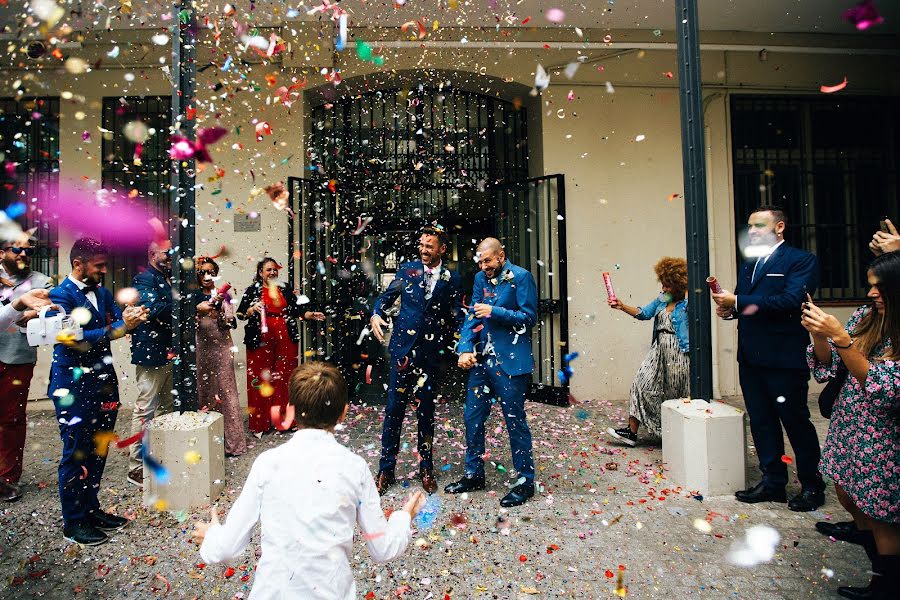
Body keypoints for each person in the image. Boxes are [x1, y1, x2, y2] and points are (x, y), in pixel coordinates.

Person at [191, 361, 426, 600]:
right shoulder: (355, 468)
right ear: (343, 413)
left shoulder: (267, 463)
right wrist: (403, 517)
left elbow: (227, 546)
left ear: (291, 410)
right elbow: (383, 548)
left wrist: (212, 536)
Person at [712, 205, 825, 511]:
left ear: (779, 228)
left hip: (784, 358)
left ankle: (813, 485)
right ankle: (773, 482)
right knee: (761, 422)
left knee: (796, 422)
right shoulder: (749, 263)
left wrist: (738, 300)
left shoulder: (801, 260)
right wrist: (731, 309)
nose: (752, 231)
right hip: (750, 357)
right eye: (749, 226)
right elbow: (749, 304)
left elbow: (790, 301)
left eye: (759, 225)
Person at [802, 252, 900, 600]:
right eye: (870, 286)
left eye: (880, 287)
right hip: (851, 427)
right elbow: (829, 369)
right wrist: (818, 337)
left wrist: (841, 339)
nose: (871, 294)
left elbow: (883, 387)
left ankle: (886, 584)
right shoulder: (867, 317)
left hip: (885, 437)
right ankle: (876, 553)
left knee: (882, 514)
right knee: (846, 493)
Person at [48, 237, 147, 545]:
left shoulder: (102, 293)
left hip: (104, 383)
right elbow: (73, 338)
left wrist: (128, 321)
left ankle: (91, 509)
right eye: (99, 265)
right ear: (78, 264)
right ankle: (74, 523)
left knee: (99, 448)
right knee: (76, 452)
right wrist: (118, 328)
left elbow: (112, 326)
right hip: (72, 386)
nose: (105, 270)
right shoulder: (59, 296)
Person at [445, 237, 538, 508]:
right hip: (482, 362)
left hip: (510, 363)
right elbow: (472, 316)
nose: (484, 266)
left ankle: (525, 481)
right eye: (481, 261)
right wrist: (464, 348)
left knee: (514, 421)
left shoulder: (521, 277)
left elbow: (529, 317)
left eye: (488, 260)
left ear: (501, 256)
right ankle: (474, 474)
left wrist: (495, 311)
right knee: (471, 416)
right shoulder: (479, 279)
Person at [370, 226, 462, 495]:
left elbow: (456, 315)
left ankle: (426, 468)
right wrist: (376, 313)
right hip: (403, 352)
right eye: (421, 245)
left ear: (442, 249)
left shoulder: (452, 278)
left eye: (429, 246)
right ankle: (386, 470)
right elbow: (385, 300)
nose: (423, 250)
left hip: (430, 355)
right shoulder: (407, 270)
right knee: (394, 411)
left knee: (426, 414)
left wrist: (465, 342)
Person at [606, 257, 689, 446]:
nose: (664, 288)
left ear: (678, 284)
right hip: (658, 349)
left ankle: (676, 433)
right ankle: (631, 432)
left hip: (680, 352)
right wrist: (621, 306)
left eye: (668, 285)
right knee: (640, 383)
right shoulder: (662, 299)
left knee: (675, 393)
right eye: (663, 284)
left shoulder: (689, 304)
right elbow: (644, 313)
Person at [237, 258, 324, 436]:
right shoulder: (252, 290)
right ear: (260, 273)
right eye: (268, 270)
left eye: (275, 269)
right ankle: (260, 423)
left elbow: (296, 310)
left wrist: (310, 314)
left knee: (285, 378)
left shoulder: (284, 289)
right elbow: (240, 314)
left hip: (285, 337)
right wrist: (252, 309)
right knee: (260, 378)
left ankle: (285, 421)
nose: (272, 273)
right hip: (259, 338)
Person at [0, 234, 52, 502]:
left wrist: (37, 312)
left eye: (29, 251)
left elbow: (51, 307)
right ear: (2, 253)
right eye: (16, 249)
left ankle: (7, 477)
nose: (23, 254)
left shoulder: (41, 282)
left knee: (12, 420)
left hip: (17, 358)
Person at [127, 240, 174, 487]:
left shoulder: (169, 278)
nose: (171, 256)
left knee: (167, 406)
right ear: (152, 254)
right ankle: (135, 466)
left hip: (168, 350)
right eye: (167, 252)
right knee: (146, 408)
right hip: (151, 351)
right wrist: (187, 306)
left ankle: (163, 455)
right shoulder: (144, 279)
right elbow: (152, 308)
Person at [196, 257, 247, 457]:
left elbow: (230, 323)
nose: (207, 276)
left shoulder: (224, 295)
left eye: (210, 271)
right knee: (204, 391)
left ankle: (233, 444)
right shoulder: (192, 296)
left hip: (223, 347)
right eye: (202, 272)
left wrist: (221, 318)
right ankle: (205, 441)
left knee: (227, 392)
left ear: (216, 274)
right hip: (201, 347)